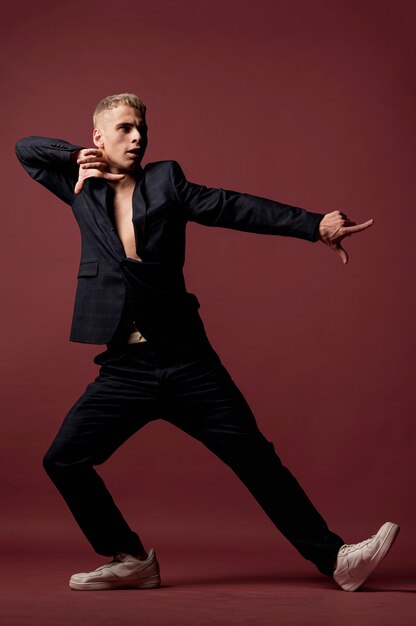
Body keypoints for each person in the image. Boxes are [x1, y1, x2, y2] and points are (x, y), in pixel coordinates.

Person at [15, 93, 399, 593]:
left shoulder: (164, 181)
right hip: (126, 367)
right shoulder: (79, 185)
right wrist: (71, 157)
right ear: (98, 137)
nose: (137, 138)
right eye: (126, 128)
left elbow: (232, 206)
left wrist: (313, 226)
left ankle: (337, 560)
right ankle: (130, 558)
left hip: (187, 362)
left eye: (142, 129)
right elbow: (26, 149)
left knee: (257, 460)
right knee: (62, 459)